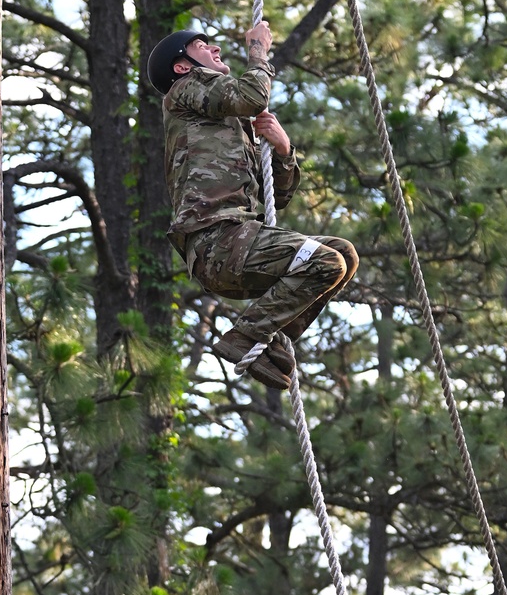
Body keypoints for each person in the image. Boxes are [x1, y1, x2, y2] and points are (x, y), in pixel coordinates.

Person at [147, 22, 358, 390]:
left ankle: (268, 335)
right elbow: (251, 95)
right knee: (327, 262)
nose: (213, 50)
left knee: (343, 254)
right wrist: (258, 49)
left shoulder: (227, 127)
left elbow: (277, 198)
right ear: (182, 66)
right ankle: (247, 336)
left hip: (238, 242)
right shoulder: (185, 89)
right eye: (201, 46)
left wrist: (283, 151)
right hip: (219, 242)